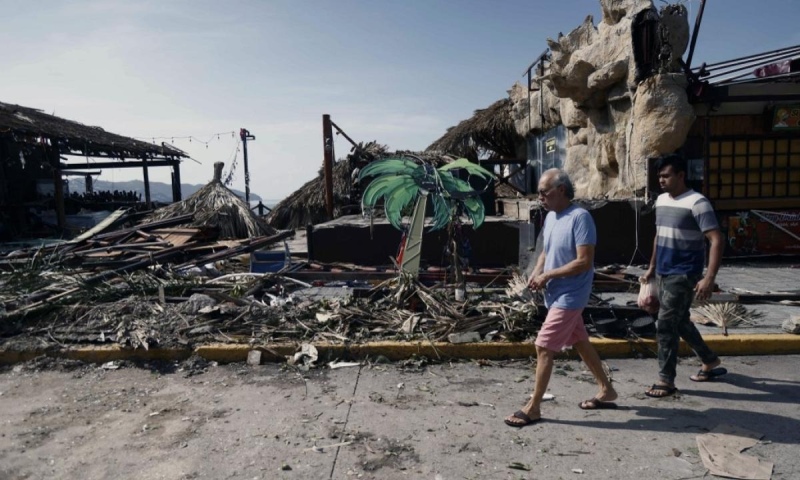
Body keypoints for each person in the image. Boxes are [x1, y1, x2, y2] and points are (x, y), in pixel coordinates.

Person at [504, 168, 617, 427]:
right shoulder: (552, 217)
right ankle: (606, 389)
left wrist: (549, 275)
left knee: (543, 346)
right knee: (580, 342)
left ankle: (533, 407)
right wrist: (536, 273)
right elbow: (546, 250)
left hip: (571, 295)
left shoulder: (581, 218)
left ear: (562, 191)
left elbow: (584, 262)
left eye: (544, 192)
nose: (540, 197)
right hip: (555, 293)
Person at [640, 153, 726, 398]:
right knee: (680, 321)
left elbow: (716, 239)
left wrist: (709, 278)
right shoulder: (662, 201)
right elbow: (659, 235)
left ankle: (665, 380)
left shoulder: (697, 203)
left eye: (666, 175)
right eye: (659, 176)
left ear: (681, 175)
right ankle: (709, 360)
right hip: (664, 271)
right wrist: (651, 268)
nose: (662, 180)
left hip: (685, 273)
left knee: (666, 325)